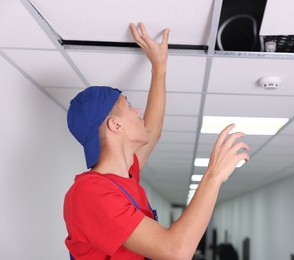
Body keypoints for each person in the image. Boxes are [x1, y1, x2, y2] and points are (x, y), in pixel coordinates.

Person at [64, 22, 249, 260]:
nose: (138, 110)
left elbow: (153, 129)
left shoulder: (123, 177)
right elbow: (175, 251)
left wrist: (159, 68)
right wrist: (214, 175)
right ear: (115, 125)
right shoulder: (90, 193)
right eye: (129, 106)